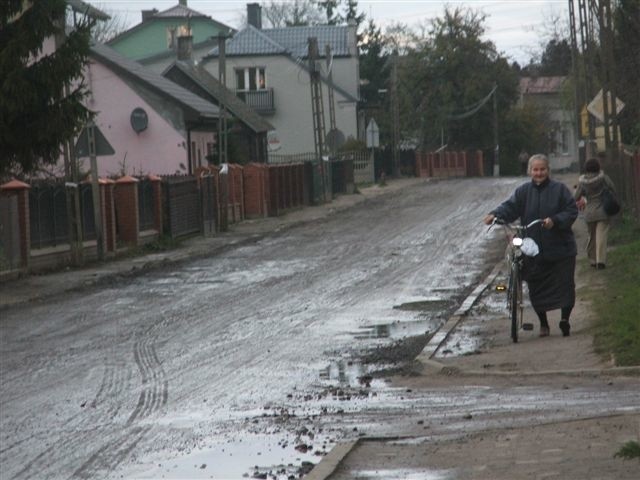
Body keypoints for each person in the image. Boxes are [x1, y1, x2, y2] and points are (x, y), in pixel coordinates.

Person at [483, 154, 579, 337]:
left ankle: (564, 320)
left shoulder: (560, 190)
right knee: (536, 287)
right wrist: (494, 215)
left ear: (548, 170)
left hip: (561, 249)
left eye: (542, 169)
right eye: (535, 169)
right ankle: (543, 324)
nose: (539, 173)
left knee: (565, 286)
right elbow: (510, 207)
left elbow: (571, 210)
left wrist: (556, 220)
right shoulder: (523, 192)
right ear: (530, 171)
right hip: (534, 250)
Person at [574, 157, 617, 269]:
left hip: (589, 213)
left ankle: (592, 260)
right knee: (601, 236)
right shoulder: (604, 178)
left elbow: (576, 197)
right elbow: (613, 188)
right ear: (598, 167)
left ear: (586, 168)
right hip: (603, 211)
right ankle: (600, 261)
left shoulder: (582, 182)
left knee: (591, 236)